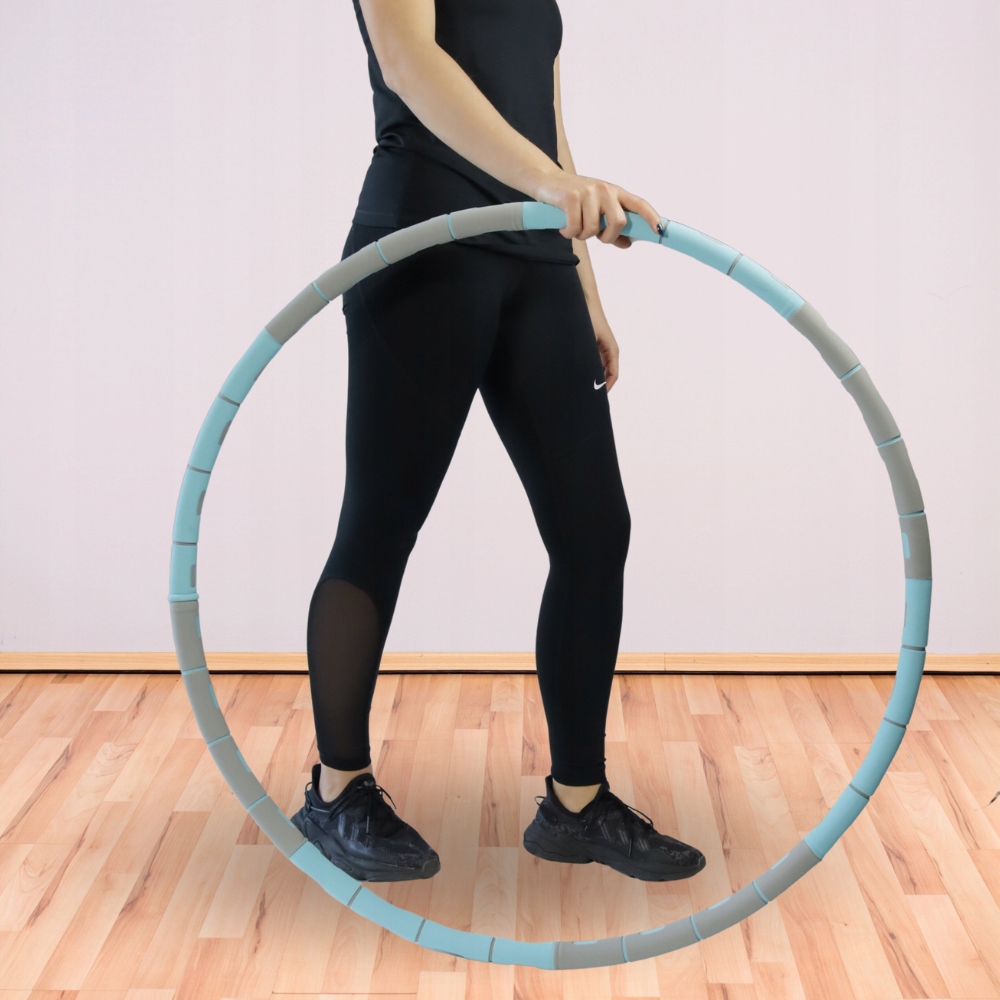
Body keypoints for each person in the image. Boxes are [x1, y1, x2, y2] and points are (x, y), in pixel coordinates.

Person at [291, 0, 706, 884]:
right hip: (422, 247)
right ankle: (335, 791)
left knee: (595, 531)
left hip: (536, 256)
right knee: (380, 528)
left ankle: (577, 803)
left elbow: (545, 123)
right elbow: (410, 64)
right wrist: (550, 187)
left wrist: (585, 289)